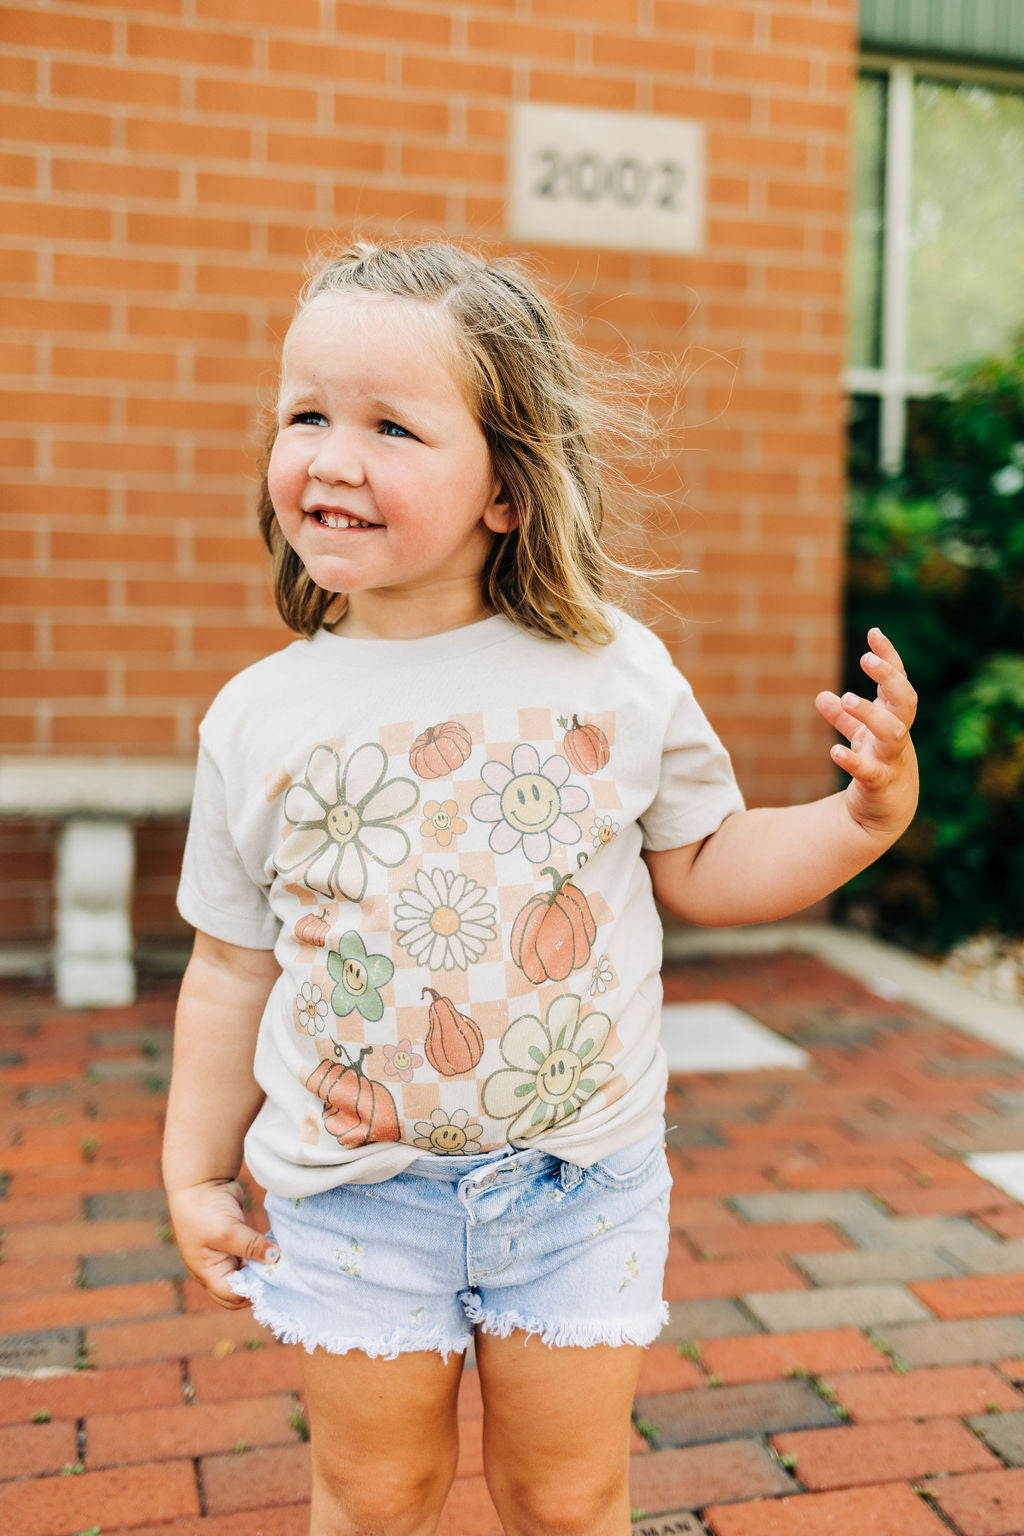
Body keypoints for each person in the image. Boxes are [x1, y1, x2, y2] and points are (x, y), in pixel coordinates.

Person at [163, 240, 918, 1536]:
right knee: (373, 1494)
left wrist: (859, 820)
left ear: (505, 489)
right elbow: (232, 965)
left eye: (391, 425)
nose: (333, 456)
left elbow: (707, 860)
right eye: (306, 415)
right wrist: (192, 1168)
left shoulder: (609, 674)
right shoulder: (258, 717)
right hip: (353, 1198)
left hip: (582, 1190)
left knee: (565, 1500)